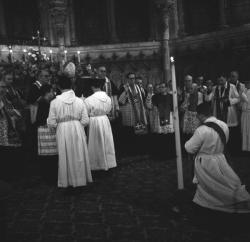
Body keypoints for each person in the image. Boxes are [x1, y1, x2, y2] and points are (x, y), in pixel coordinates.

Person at [185, 102, 250, 213]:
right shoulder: (224, 125)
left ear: (200, 115)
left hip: (205, 162)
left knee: (210, 185)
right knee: (224, 181)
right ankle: (232, 197)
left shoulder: (202, 130)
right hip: (220, 158)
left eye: (197, 116)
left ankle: (211, 203)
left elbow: (189, 148)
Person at [47, 75, 92, 188]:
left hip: (62, 130)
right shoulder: (79, 101)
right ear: (71, 85)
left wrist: (61, 127)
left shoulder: (54, 102)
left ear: (58, 86)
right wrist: (76, 126)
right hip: (77, 128)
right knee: (78, 155)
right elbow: (86, 120)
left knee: (65, 156)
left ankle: (67, 182)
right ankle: (80, 181)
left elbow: (51, 123)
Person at [84, 78, 117, 171]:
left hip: (94, 121)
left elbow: (86, 113)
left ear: (92, 87)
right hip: (105, 120)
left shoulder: (88, 99)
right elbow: (109, 109)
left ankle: (97, 165)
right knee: (106, 141)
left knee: (96, 143)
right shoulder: (107, 98)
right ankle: (109, 163)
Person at [212, 73, 240, 156]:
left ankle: (232, 152)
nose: (220, 81)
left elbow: (238, 98)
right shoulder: (215, 88)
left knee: (230, 132)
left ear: (226, 79)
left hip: (229, 112)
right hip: (218, 112)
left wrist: (229, 101)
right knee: (220, 132)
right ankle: (222, 151)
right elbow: (211, 98)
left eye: (222, 80)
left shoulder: (232, 87)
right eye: (219, 80)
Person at [36, 84, 58, 185]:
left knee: (49, 155)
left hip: (45, 129)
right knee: (49, 155)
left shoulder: (44, 101)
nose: (53, 93)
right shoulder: (43, 102)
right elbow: (42, 118)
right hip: (45, 130)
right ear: (47, 92)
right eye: (52, 91)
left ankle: (49, 175)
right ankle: (49, 176)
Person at [151, 82, 175, 159]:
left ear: (166, 88)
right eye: (160, 87)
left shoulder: (171, 96)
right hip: (160, 118)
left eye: (163, 87)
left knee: (169, 135)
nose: (162, 88)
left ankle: (170, 153)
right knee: (161, 136)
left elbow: (173, 107)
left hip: (169, 117)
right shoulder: (155, 97)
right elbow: (154, 106)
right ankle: (161, 154)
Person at [241, 82, 250, 152]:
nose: (246, 85)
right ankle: (245, 147)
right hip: (244, 113)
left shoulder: (247, 92)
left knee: (248, 131)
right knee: (244, 130)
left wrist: (242, 93)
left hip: (248, 113)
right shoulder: (246, 91)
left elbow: (247, 100)